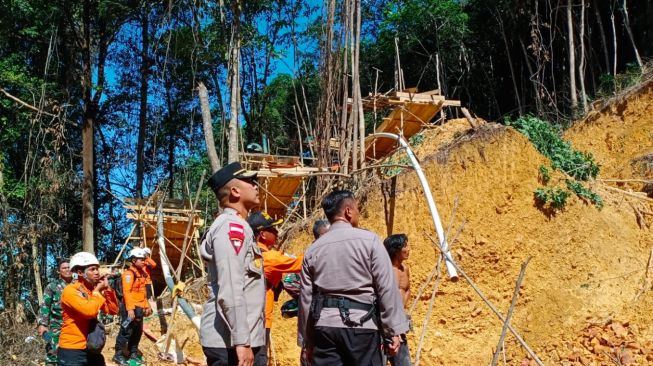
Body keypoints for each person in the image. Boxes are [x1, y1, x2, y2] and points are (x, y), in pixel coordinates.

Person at [298, 190, 410, 366]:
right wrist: (393, 330)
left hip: (324, 328)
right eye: (358, 208)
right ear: (348, 211)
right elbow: (386, 288)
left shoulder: (313, 249)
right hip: (361, 327)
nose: (359, 212)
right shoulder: (370, 241)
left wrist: (307, 341)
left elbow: (306, 298)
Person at [199, 162, 266, 366]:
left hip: (237, 339)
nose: (256, 186)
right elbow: (231, 285)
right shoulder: (231, 227)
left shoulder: (239, 226)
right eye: (250, 182)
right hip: (230, 343)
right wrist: (242, 342)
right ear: (235, 191)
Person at [247, 211, 304, 364]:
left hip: (247, 318)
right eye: (272, 229)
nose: (277, 232)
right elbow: (307, 262)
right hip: (260, 320)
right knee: (259, 359)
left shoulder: (251, 254)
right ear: (263, 234)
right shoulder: (270, 258)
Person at [58, 252, 119, 366]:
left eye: (97, 269)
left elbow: (113, 310)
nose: (97, 272)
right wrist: (97, 292)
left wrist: (107, 289)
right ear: (80, 273)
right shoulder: (71, 291)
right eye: (92, 269)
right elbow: (89, 311)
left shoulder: (93, 290)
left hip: (91, 348)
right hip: (72, 350)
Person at [112, 248, 152, 366]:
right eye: (141, 259)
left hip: (139, 309)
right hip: (129, 309)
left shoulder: (141, 274)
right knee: (126, 330)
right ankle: (118, 355)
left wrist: (147, 306)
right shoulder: (128, 274)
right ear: (134, 260)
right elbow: (127, 292)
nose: (144, 261)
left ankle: (133, 353)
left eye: (144, 259)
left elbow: (142, 293)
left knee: (137, 331)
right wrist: (130, 309)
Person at [383, 234, 412, 366]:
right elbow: (385, 301)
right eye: (405, 246)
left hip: (400, 324)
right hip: (386, 328)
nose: (408, 249)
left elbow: (407, 290)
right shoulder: (386, 271)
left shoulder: (405, 269)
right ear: (395, 250)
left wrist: (403, 316)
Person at [38, 260, 73, 365]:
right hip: (57, 324)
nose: (67, 270)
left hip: (74, 325)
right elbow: (45, 306)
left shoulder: (78, 285)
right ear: (59, 271)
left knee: (73, 354)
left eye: (69, 267)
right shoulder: (52, 286)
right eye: (64, 268)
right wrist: (42, 324)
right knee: (53, 352)